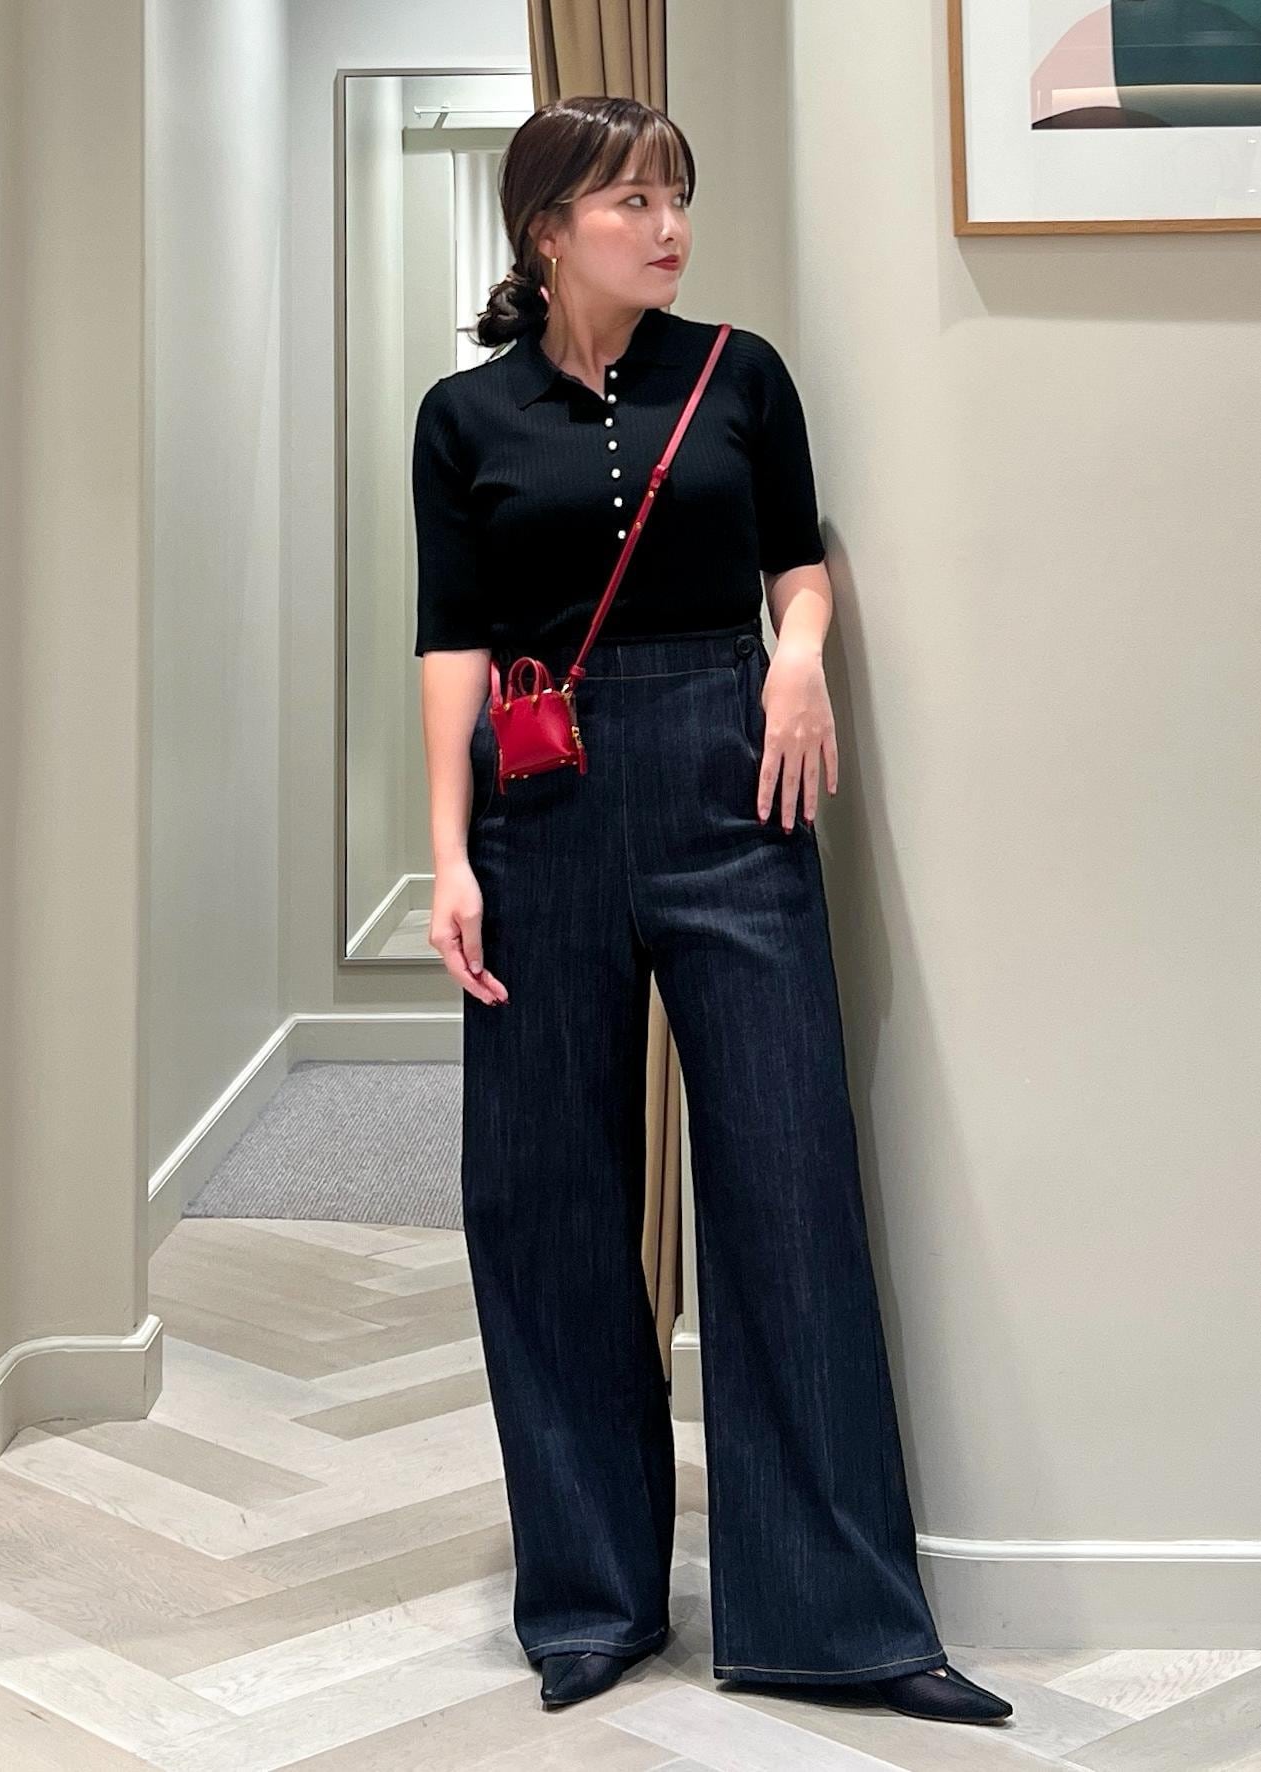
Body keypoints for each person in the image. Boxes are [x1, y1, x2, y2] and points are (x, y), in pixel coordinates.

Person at [412, 94, 1012, 1727]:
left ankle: (839, 1623)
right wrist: (449, 855)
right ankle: (590, 1601)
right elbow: (452, 641)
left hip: (731, 788)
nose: (667, 226)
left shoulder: (740, 374)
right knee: (541, 1199)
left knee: (787, 1183)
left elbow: (792, 562)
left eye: (675, 194)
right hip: (539, 803)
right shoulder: (463, 416)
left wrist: (796, 656)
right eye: (629, 200)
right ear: (547, 227)